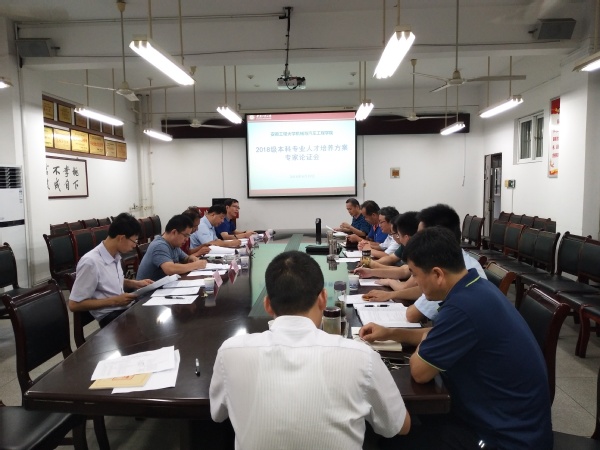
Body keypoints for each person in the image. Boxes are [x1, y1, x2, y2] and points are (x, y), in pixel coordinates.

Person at [360, 227, 552, 449]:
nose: (415, 282)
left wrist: (428, 340)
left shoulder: (463, 308)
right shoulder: (475, 287)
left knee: (388, 439)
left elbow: (419, 371)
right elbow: (438, 333)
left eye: (415, 274)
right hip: (508, 418)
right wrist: (391, 333)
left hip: (504, 437)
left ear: (438, 274)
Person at [209, 250, 410, 449]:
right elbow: (399, 426)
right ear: (323, 298)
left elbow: (217, 414)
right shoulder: (362, 357)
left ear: (267, 305)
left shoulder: (230, 353)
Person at [360, 204, 486, 307]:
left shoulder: (447, 271)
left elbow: (412, 314)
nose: (418, 238)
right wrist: (372, 270)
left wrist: (389, 289)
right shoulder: (452, 258)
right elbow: (405, 272)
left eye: (420, 234)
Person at [68, 212, 153, 328]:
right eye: (134, 241)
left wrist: (135, 283)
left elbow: (108, 280)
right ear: (121, 238)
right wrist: (115, 301)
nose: (135, 246)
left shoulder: (115, 255)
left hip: (124, 310)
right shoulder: (91, 262)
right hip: (111, 318)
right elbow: (74, 305)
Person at [136, 214, 207, 281]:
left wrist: (191, 258)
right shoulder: (159, 245)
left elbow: (185, 258)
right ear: (174, 232)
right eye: (185, 236)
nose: (186, 239)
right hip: (150, 289)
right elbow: (170, 269)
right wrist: (195, 265)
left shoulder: (174, 244)